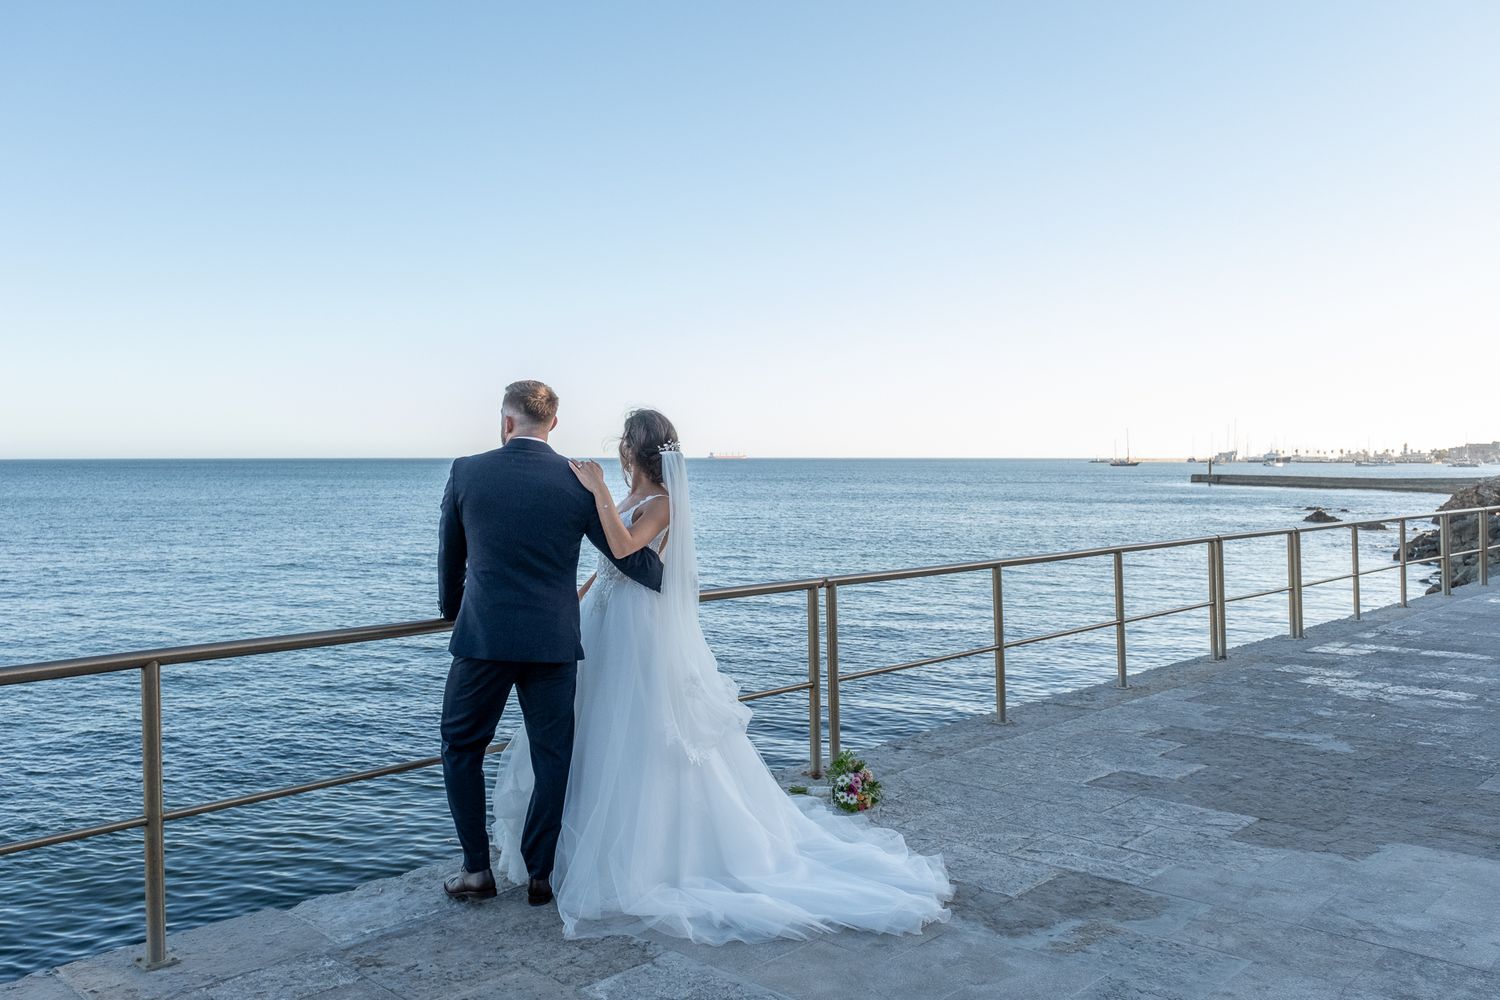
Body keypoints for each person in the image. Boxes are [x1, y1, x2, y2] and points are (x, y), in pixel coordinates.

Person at [493, 408, 952, 943]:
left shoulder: (663, 504)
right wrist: (575, 598)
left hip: (635, 635)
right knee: (590, 731)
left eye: (622, 444)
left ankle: (650, 857)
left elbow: (622, 546)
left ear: (631, 451)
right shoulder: (636, 498)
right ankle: (568, 846)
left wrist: (595, 490)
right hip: (603, 622)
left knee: (637, 731)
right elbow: (607, 568)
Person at [437, 381, 664, 907]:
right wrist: (670, 582)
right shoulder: (577, 482)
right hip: (554, 641)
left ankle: (476, 870)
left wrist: (454, 612)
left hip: (484, 638)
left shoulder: (467, 470)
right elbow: (625, 555)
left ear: (506, 420)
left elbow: (451, 556)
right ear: (554, 424)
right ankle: (541, 873)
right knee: (553, 755)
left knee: (461, 749)